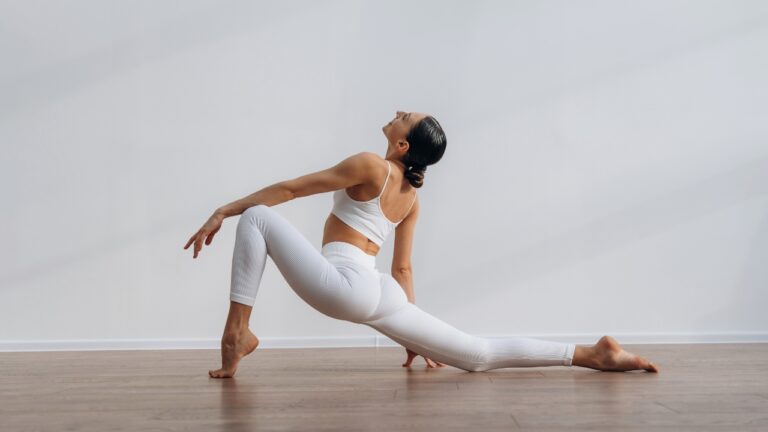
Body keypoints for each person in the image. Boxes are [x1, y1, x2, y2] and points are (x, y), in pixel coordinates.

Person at [184, 110, 660, 378]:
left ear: (403, 145)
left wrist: (224, 210)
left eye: (405, 118)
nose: (397, 114)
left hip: (346, 284)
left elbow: (289, 190)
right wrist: (409, 330)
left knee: (257, 217)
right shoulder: (411, 198)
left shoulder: (372, 165)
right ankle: (591, 354)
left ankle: (236, 334)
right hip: (378, 292)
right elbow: (403, 271)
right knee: (477, 356)